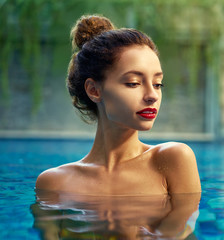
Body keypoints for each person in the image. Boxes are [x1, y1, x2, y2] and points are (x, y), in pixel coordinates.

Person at [35, 14, 201, 196]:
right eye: (133, 83)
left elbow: (184, 224)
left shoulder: (173, 159)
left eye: (157, 84)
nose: (152, 96)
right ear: (94, 90)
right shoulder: (54, 183)